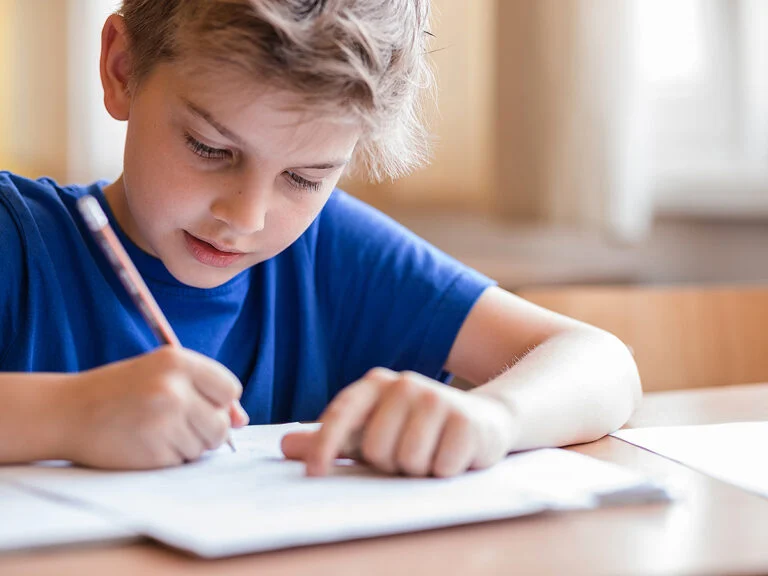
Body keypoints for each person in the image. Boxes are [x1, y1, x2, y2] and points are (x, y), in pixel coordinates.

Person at [0, 0, 640, 477]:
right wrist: (69, 412)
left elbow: (601, 363)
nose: (247, 216)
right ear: (121, 66)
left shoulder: (329, 255)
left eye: (305, 177)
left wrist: (493, 418)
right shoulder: (18, 239)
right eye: (210, 147)